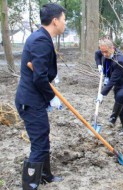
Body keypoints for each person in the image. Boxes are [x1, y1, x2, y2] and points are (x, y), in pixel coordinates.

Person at [15, 3, 66, 189]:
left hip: (34, 99)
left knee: (43, 137)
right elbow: (39, 78)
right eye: (63, 19)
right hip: (30, 101)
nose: (64, 23)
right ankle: (29, 186)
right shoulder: (41, 40)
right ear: (55, 21)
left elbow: (41, 70)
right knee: (40, 144)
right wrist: (52, 96)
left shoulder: (42, 37)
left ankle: (45, 176)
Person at [96, 39, 123, 135]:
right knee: (121, 104)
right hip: (119, 84)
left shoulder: (120, 61)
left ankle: (113, 118)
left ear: (112, 48)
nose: (104, 54)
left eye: (106, 52)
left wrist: (102, 94)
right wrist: (98, 65)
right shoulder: (103, 52)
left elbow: (112, 80)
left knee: (120, 96)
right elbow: (97, 54)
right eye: (102, 51)